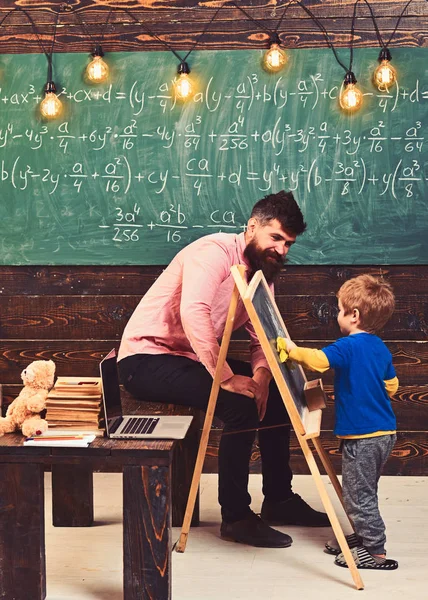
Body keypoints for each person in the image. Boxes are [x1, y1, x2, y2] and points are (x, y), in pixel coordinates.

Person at [118, 190, 329, 549]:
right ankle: (236, 517)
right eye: (275, 237)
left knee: (275, 391)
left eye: (288, 243)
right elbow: (194, 312)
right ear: (251, 227)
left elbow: (264, 334)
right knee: (240, 404)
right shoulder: (213, 252)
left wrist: (262, 376)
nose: (281, 249)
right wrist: (227, 377)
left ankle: (279, 499)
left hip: (187, 358)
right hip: (145, 358)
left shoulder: (262, 271)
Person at [281, 274, 399, 570]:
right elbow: (392, 386)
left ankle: (374, 550)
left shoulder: (348, 347)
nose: (337, 314)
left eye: (339, 308)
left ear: (354, 315)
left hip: (363, 436)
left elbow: (319, 361)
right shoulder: (379, 347)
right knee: (365, 489)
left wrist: (291, 350)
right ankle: (362, 536)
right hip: (385, 433)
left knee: (359, 495)